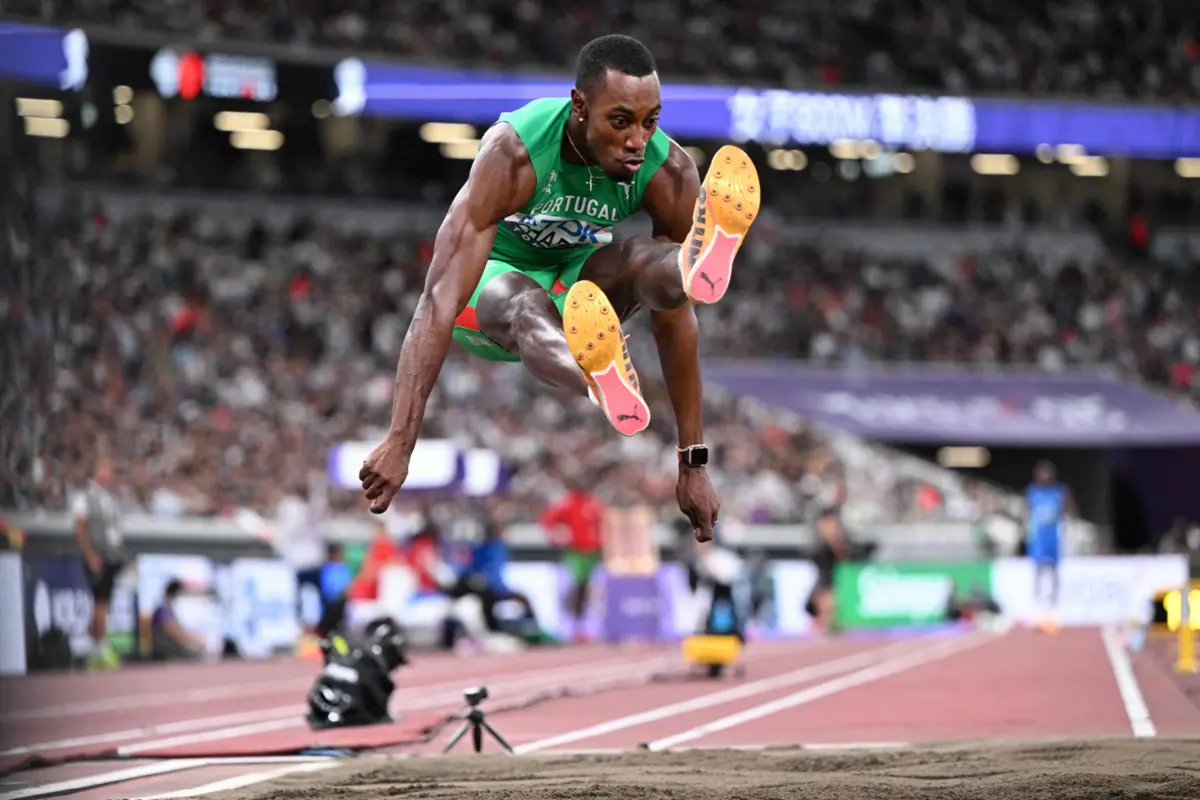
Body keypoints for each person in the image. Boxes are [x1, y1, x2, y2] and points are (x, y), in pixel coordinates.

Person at [359, 34, 761, 544]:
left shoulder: (668, 169)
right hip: (492, 289)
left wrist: (693, 461)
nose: (638, 139)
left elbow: (674, 318)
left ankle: (692, 267)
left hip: (581, 288)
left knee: (644, 261)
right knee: (525, 303)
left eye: (650, 121)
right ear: (579, 106)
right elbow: (438, 301)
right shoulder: (515, 152)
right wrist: (400, 439)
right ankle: (597, 373)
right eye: (620, 122)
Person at [70, 457, 125, 670]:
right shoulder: (84, 496)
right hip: (98, 557)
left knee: (104, 602)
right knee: (99, 603)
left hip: (111, 557)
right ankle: (97, 649)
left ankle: (100, 646)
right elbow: (80, 528)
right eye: (104, 470)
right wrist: (90, 554)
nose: (108, 474)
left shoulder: (108, 497)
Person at [540, 479, 605, 640]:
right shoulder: (569, 503)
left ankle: (586, 625)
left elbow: (604, 524)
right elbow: (548, 520)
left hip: (594, 552)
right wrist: (556, 535)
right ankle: (573, 626)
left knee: (591, 589)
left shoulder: (594, 504)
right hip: (576, 551)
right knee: (577, 587)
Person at [1024, 461, 1074, 625]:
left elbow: (1068, 509)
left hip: (1053, 535)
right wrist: (1028, 531)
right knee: (1038, 568)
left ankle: (1054, 601)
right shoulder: (1032, 492)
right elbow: (1027, 512)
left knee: (1054, 569)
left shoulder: (1059, 491)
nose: (1044, 478)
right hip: (1039, 536)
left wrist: (1067, 526)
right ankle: (1037, 600)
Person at [150, 579, 207, 661]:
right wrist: (196, 641)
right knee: (197, 656)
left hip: (172, 649)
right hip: (166, 652)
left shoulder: (169, 610)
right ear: (175, 594)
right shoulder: (162, 610)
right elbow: (173, 631)